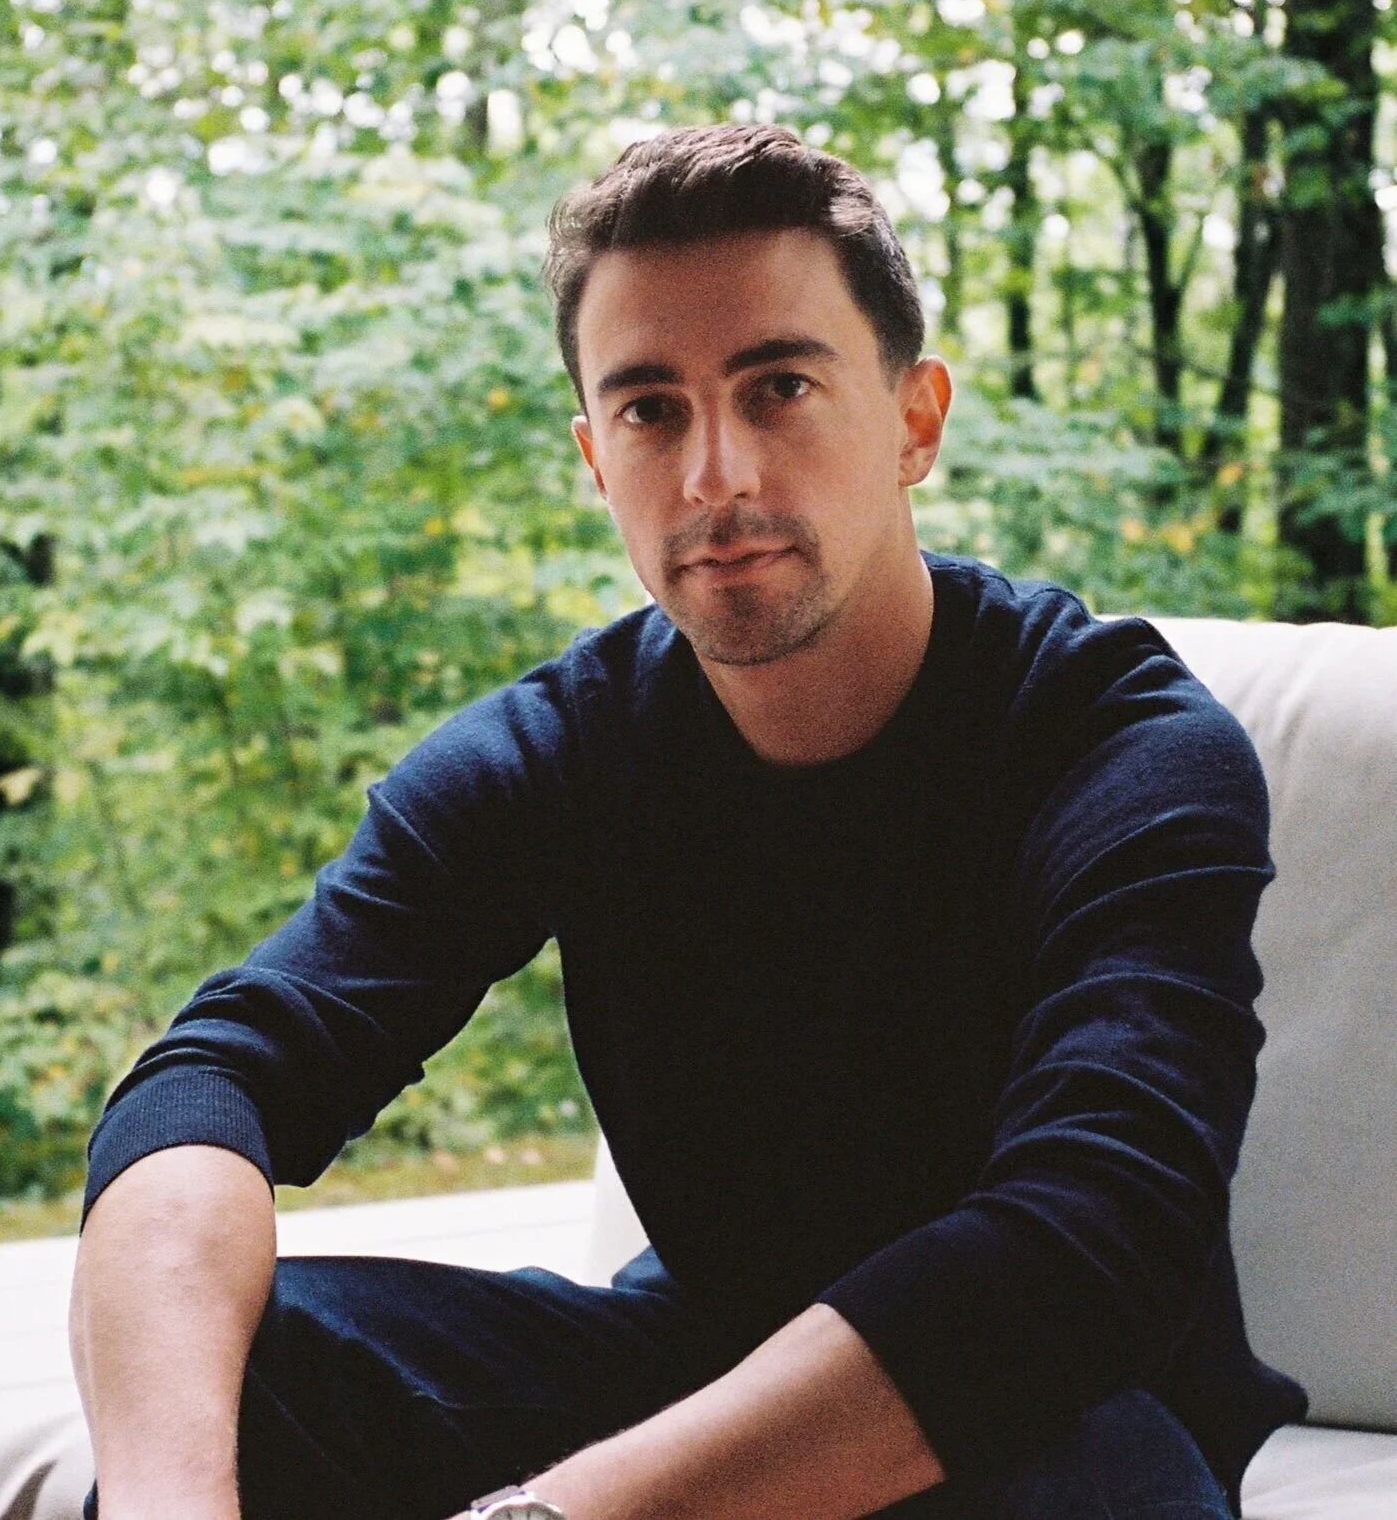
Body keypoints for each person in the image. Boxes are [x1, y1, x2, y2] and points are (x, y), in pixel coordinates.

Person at [67, 124, 1306, 1520]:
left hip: (1057, 1424)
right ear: (596, 459)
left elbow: (1088, 1239)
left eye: (780, 387)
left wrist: (556, 1516)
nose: (716, 474)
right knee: (245, 1366)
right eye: (651, 410)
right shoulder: (556, 750)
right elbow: (214, 1074)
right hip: (704, 1359)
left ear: (915, 419)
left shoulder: (1118, 742)